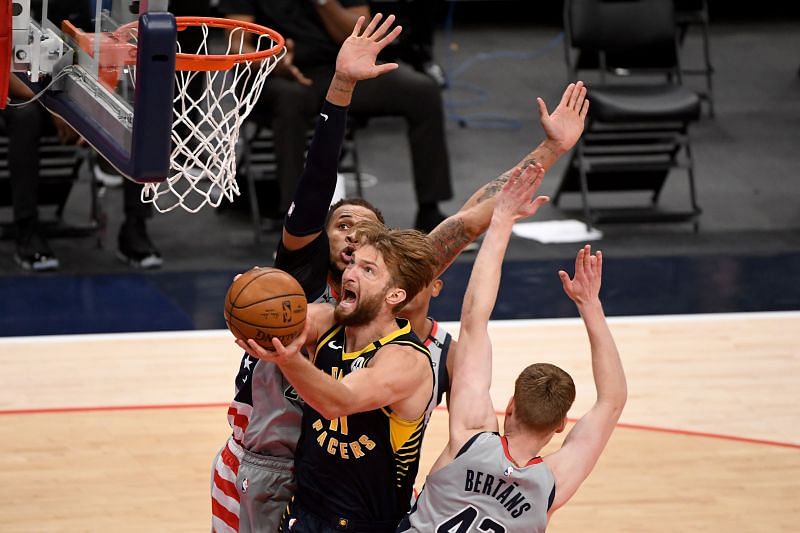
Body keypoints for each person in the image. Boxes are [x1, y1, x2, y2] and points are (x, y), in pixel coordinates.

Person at [211, 14, 407, 533]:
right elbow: (318, 178)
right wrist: (340, 86)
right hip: (262, 457)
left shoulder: (380, 304)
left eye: (366, 235)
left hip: (330, 478)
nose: (351, 237)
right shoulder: (295, 276)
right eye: (343, 226)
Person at [398, 184, 627, 530]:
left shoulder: (470, 436)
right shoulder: (551, 483)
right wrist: (590, 305)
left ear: (510, 406)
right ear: (560, 424)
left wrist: (502, 219)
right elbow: (612, 400)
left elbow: (474, 319)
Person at [240, 219, 439, 532]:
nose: (350, 273)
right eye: (353, 264)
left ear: (394, 296)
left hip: (366, 523)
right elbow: (279, 315)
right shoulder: (329, 322)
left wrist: (287, 359)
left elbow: (339, 401)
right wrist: (256, 296)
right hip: (305, 510)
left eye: (368, 270)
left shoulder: (405, 360)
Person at [217, 0, 453, 232]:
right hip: (272, 75)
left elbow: (358, 35)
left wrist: (324, 3)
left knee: (422, 91)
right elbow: (237, 43)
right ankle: (295, 220)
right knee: (292, 100)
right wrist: (272, 60)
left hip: (336, 69)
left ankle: (429, 210)